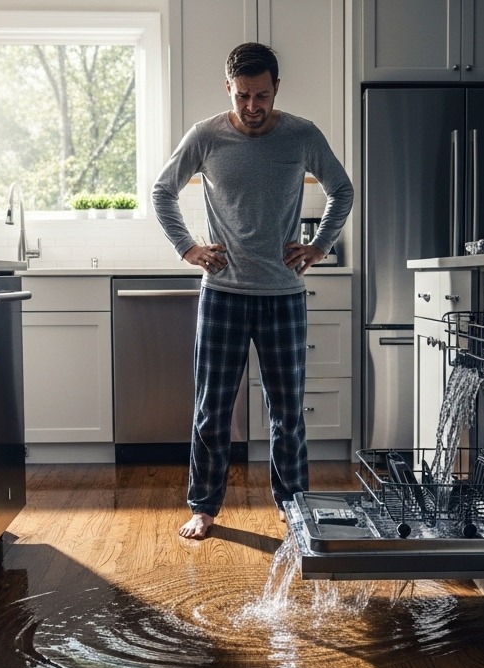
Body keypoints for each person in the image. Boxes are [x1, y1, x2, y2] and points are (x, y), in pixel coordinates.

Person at [151, 42, 354, 539]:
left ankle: (292, 504)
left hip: (283, 295)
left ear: (276, 88)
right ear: (229, 88)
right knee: (212, 410)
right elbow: (162, 191)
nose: (252, 106)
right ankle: (203, 506)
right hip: (222, 293)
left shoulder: (302, 135)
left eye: (261, 95)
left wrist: (319, 246)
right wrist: (188, 248)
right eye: (242, 95)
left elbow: (341, 190)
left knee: (287, 412)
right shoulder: (206, 136)